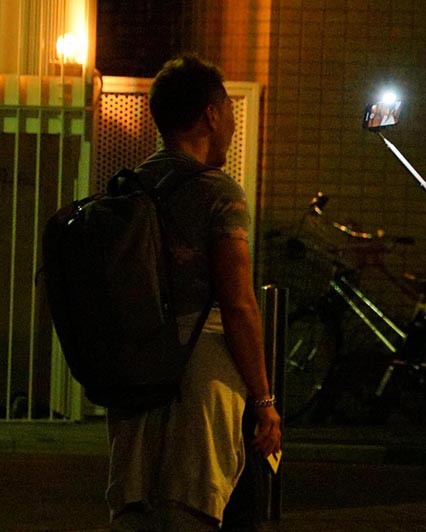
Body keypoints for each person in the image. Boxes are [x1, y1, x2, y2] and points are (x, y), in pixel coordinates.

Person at [105, 55, 281, 531]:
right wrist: (264, 400)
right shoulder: (218, 193)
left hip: (134, 372)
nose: (232, 124)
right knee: (190, 509)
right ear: (211, 114)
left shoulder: (127, 188)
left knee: (136, 509)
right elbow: (239, 305)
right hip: (201, 375)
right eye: (229, 111)